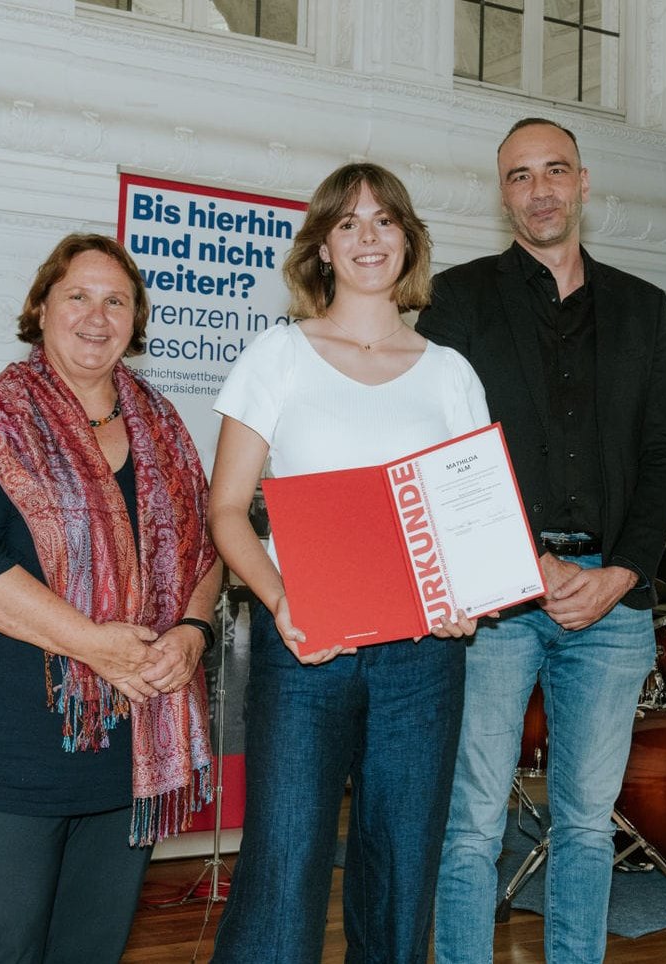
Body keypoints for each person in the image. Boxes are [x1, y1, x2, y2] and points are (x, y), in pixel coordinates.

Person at [206, 162, 490, 964]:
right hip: (306, 646)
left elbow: (472, 519)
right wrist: (280, 600)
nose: (369, 237)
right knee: (283, 868)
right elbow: (225, 510)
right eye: (349, 223)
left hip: (423, 658)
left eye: (385, 220)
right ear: (323, 248)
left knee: (402, 872)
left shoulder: (451, 373)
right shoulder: (278, 356)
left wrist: (467, 596)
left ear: (409, 241)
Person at [422, 117, 666, 963]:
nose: (540, 190)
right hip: (495, 599)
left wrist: (623, 572)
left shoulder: (643, 307)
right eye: (520, 176)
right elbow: (446, 447)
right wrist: (521, 561)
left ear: (583, 182)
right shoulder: (457, 299)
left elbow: (663, 453)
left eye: (555, 171)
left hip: (611, 603)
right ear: (503, 194)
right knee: (471, 823)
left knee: (585, 824)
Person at [0, 233, 221, 964]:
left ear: (136, 319)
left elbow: (205, 551)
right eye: (78, 296)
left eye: (116, 300)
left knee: (91, 948)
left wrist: (192, 631)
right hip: (6, 744)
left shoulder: (163, 425)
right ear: (41, 308)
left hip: (128, 745)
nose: (97, 316)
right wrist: (97, 647)